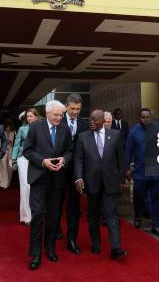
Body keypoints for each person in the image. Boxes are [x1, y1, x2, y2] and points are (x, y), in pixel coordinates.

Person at [23, 100, 73, 270]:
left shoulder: (65, 129)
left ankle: (50, 248)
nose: (59, 118)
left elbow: (69, 150)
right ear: (47, 114)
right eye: (56, 115)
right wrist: (43, 161)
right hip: (38, 177)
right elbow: (27, 150)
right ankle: (36, 252)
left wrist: (64, 159)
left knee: (54, 215)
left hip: (57, 179)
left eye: (61, 115)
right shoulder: (36, 127)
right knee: (37, 215)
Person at [74, 110, 127, 260]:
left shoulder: (115, 135)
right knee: (93, 214)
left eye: (94, 120)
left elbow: (121, 160)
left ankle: (115, 248)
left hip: (110, 182)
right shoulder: (83, 137)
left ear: (103, 121)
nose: (91, 122)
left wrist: (121, 180)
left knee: (112, 214)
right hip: (91, 182)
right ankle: (96, 242)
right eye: (90, 119)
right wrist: (78, 178)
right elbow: (78, 159)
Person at [124, 108, 159, 237]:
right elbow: (128, 152)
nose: (145, 119)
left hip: (158, 172)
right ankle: (138, 215)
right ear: (139, 118)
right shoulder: (133, 132)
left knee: (157, 199)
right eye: (143, 117)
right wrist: (127, 168)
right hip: (140, 173)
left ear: (151, 117)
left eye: (147, 117)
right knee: (139, 197)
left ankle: (157, 225)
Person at [57, 93, 89, 254]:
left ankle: (72, 239)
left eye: (78, 109)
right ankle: (55, 227)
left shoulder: (84, 125)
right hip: (58, 169)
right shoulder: (58, 121)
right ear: (66, 107)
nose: (75, 112)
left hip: (76, 171)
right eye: (72, 109)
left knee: (74, 206)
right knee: (56, 201)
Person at [12, 108, 40, 225]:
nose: (29, 118)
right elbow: (16, 145)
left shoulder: (42, 128)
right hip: (23, 159)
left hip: (38, 160)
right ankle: (26, 216)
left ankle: (36, 214)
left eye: (31, 116)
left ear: (36, 117)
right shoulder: (22, 129)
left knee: (37, 187)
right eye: (27, 117)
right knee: (26, 187)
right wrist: (13, 159)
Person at [0, 120, 15, 189]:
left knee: (10, 167)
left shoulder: (13, 133)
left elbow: (15, 144)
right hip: (3, 151)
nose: (8, 128)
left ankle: (8, 182)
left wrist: (10, 142)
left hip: (11, 151)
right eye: (7, 127)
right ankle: (3, 184)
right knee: (3, 167)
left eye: (9, 127)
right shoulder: (2, 133)